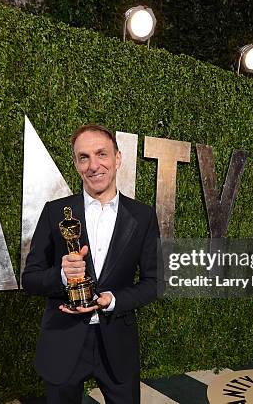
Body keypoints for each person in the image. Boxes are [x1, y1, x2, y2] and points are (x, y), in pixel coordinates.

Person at [22, 124, 160, 404]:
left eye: (101, 154)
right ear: (75, 164)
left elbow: (154, 282)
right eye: (83, 157)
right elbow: (31, 279)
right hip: (64, 340)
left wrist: (113, 299)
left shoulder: (143, 216)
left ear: (118, 159)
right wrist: (62, 275)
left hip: (117, 343)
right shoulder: (55, 212)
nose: (94, 165)